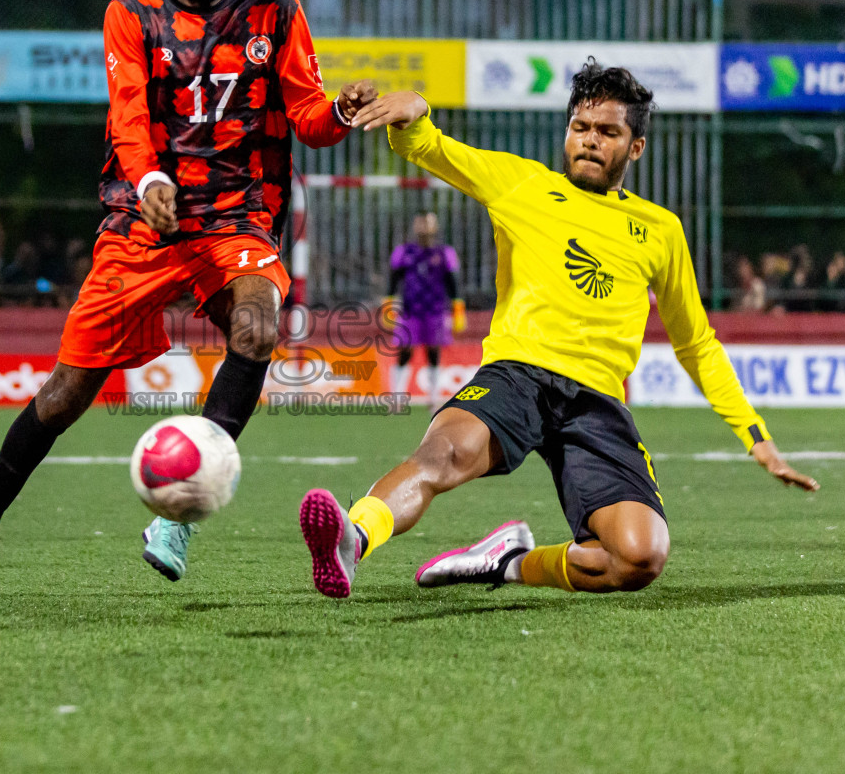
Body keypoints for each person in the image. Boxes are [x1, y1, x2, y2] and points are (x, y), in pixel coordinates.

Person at [0, 0, 375, 598]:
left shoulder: (276, 11)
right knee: (65, 395)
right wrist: (151, 183)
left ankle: (179, 517)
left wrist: (343, 110)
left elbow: (309, 120)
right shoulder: (130, 16)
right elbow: (129, 119)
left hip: (236, 217)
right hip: (146, 223)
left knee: (258, 330)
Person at [297, 61, 818, 600]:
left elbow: (697, 345)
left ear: (635, 147)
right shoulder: (521, 184)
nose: (590, 141)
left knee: (639, 556)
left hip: (596, 400)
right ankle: (353, 538)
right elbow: (430, 148)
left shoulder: (661, 231)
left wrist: (757, 438)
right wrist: (414, 116)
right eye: (580, 127)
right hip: (516, 376)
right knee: (443, 455)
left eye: (608, 132)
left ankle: (507, 563)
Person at [385, 212, 464, 403]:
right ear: (414, 225)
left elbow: (452, 283)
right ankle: (396, 396)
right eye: (420, 222)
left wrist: (458, 308)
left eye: (428, 222)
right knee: (404, 350)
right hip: (410, 310)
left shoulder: (444, 253)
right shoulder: (404, 252)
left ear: (435, 226)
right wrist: (388, 303)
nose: (424, 227)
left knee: (434, 351)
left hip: (435, 311)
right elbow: (394, 280)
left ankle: (434, 396)